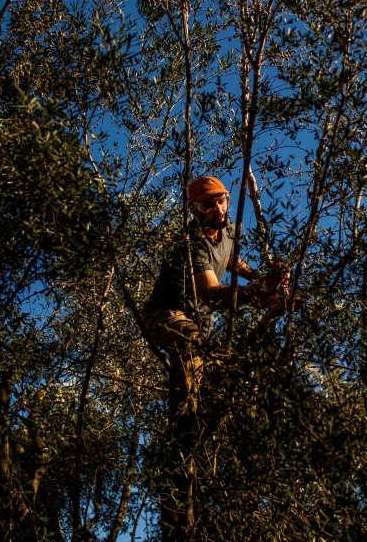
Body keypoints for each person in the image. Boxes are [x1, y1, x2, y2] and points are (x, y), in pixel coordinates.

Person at [141, 174, 287, 537]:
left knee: (219, 377)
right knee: (191, 342)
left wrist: (262, 278)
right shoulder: (192, 245)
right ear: (195, 210)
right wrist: (256, 294)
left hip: (196, 330)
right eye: (210, 204)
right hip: (164, 316)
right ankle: (179, 441)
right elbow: (208, 294)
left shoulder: (229, 230)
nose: (219, 208)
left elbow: (234, 260)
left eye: (221, 200)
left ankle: (192, 439)